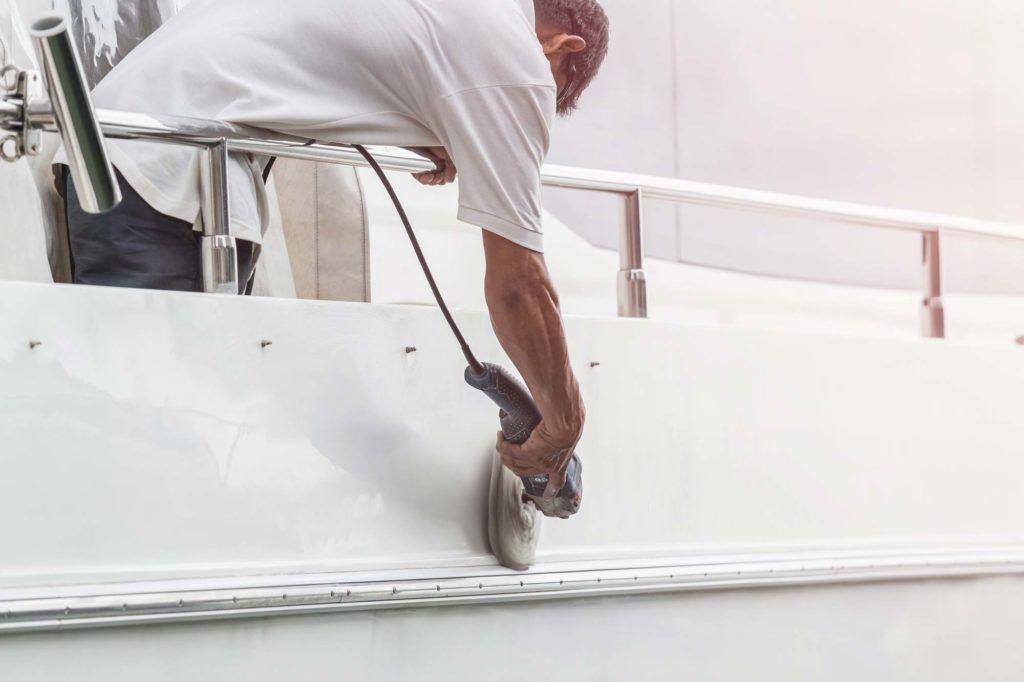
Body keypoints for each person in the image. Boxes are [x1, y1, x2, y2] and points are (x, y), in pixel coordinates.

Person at [60, 0, 610, 497]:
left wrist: (410, 126)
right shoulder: (518, 57)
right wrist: (565, 424)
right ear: (563, 47)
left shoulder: (463, 16)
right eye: (554, 90)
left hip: (134, 147)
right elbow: (520, 288)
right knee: (146, 435)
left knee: (172, 413)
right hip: (165, 170)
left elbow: (313, 48)